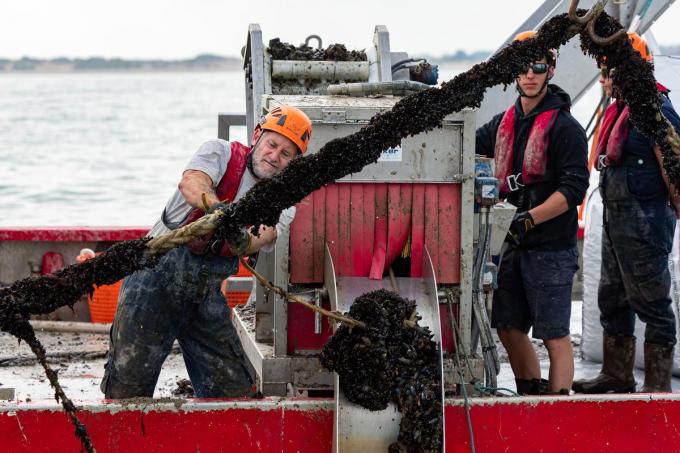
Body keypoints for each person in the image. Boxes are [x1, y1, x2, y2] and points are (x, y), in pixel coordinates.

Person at [101, 105, 313, 398]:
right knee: (126, 391)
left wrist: (242, 239)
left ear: (295, 162)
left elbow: (261, 236)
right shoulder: (220, 153)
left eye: (286, 154)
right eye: (272, 144)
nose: (275, 156)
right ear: (257, 136)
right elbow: (192, 182)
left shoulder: (285, 201)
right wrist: (216, 208)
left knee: (234, 392)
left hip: (205, 296)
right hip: (152, 283)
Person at [476, 31, 589, 395]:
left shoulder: (566, 129)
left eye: (538, 66)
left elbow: (573, 190)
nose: (530, 74)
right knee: (508, 326)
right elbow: (460, 144)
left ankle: (558, 407)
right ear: (513, 73)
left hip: (551, 248)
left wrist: (530, 217)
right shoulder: (501, 124)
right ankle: (530, 393)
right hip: (513, 246)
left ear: (551, 69)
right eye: (522, 67)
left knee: (554, 334)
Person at [573, 32, 680, 394]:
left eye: (607, 73)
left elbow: (675, 167)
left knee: (653, 304)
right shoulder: (620, 110)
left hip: (647, 226)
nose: (602, 82)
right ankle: (617, 374)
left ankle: (657, 386)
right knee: (612, 299)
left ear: (631, 69)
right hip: (617, 226)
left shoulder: (656, 110)